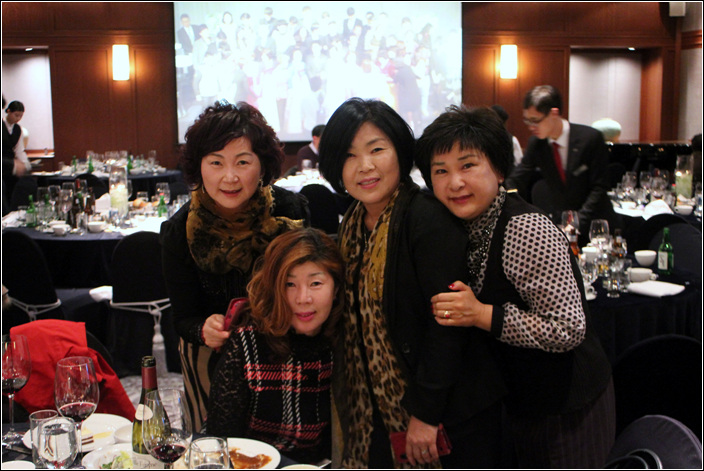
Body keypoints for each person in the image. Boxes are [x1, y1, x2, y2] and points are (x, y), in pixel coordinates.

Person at [415, 104, 615, 469]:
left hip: (565, 405)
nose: (454, 182)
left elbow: (567, 328)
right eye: (440, 170)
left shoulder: (525, 229)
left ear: (498, 168)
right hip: (518, 399)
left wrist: (481, 315)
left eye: (467, 165)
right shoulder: (461, 223)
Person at [318, 98, 505, 469]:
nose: (365, 166)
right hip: (372, 407)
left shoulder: (427, 218)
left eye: (377, 150)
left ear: (400, 152)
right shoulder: (353, 223)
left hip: (444, 414)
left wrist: (425, 414)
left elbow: (447, 325)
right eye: (350, 155)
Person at [160, 101, 310, 432]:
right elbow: (182, 318)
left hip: (285, 351)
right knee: (214, 447)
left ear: (262, 165)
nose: (230, 177)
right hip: (210, 358)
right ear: (199, 167)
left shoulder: (291, 212)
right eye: (216, 162)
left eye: (243, 162)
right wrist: (204, 329)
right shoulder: (180, 231)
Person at [208, 228, 344, 464]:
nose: (303, 298)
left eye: (315, 283)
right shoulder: (248, 343)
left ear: (336, 289)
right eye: (289, 284)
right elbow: (222, 440)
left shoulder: (345, 341)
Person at [506, 85, 619, 246]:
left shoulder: (590, 139)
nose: (531, 126)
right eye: (527, 120)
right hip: (565, 228)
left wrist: (577, 222)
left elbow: (599, 188)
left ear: (554, 113)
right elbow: (518, 177)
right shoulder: (537, 144)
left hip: (597, 225)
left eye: (535, 120)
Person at [2, 100, 31, 206]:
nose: (18, 118)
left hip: (12, 166)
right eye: (16, 115)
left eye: (20, 116)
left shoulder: (18, 129)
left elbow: (19, 150)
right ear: (8, 111)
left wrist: (25, 165)